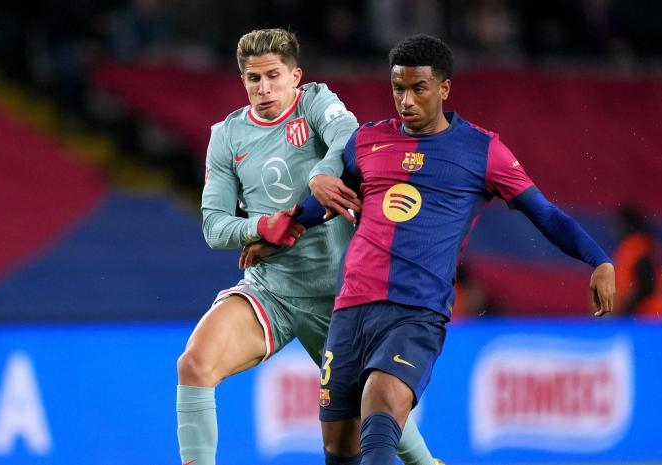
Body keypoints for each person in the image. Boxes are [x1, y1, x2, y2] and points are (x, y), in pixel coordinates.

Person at [263, 34, 616, 463]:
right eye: (398, 89)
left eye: (419, 89)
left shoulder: (483, 151)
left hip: (416, 311)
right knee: (339, 447)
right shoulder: (365, 142)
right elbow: (328, 202)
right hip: (350, 308)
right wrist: (280, 233)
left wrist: (598, 260)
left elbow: (544, 213)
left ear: (444, 88)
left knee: (380, 401)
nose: (406, 101)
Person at [177, 28, 439, 465]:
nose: (264, 89)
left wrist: (319, 177)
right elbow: (214, 226)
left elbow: (350, 140)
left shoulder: (316, 102)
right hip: (271, 292)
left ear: (295, 76)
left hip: (340, 297)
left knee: (375, 408)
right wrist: (261, 227)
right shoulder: (227, 136)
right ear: (243, 80)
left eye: (273, 76)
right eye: (253, 79)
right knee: (194, 364)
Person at [612, 206, 662, 319]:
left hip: (650, 315)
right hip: (657, 313)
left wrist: (627, 309)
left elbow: (646, 284)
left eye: (616, 225)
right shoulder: (644, 244)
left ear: (624, 224)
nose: (613, 230)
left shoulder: (637, 246)